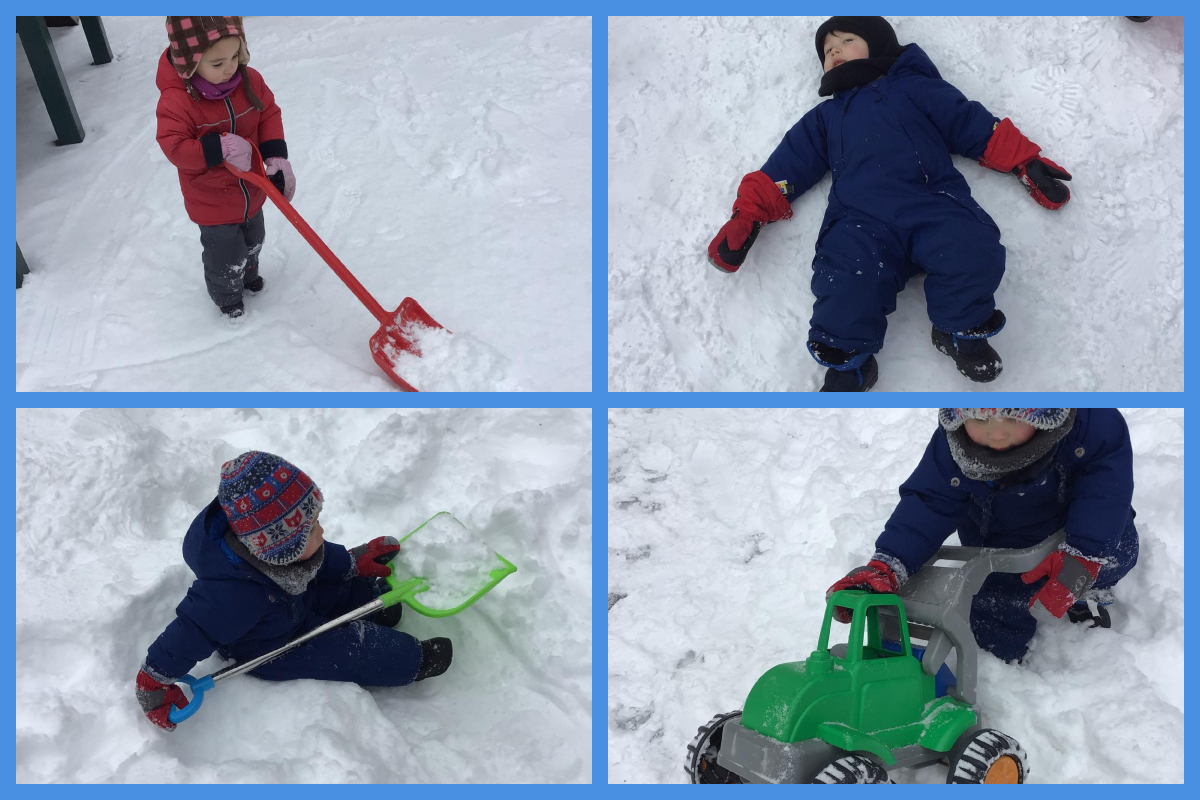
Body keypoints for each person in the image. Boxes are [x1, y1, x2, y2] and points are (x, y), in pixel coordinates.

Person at [708, 17, 1072, 391]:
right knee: (844, 281)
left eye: (846, 40)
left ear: (879, 44)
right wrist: (748, 215)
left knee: (972, 251)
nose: (833, 50)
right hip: (860, 222)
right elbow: (790, 162)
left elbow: (969, 122)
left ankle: (960, 331)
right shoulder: (827, 117)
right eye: (827, 49)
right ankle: (851, 363)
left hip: (933, 204)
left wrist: (1025, 162)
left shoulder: (916, 89)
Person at [135, 451, 452, 731]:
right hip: (273, 645)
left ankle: (374, 601)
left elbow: (317, 558)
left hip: (292, 602)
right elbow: (190, 632)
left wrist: (353, 562)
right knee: (350, 649)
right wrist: (153, 683)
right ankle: (413, 659)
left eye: (316, 521)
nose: (321, 530)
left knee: (344, 590)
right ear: (281, 548)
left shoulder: (278, 547)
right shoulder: (230, 596)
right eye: (312, 528)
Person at [826, 409, 1139, 662]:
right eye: (980, 419)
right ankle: (1001, 670)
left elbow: (1106, 489)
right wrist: (889, 563)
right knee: (996, 607)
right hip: (1002, 536)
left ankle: (1087, 589)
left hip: (1078, 525)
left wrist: (1086, 551)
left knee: (1117, 552)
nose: (997, 433)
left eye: (1015, 418)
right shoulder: (955, 445)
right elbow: (929, 502)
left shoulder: (1091, 424)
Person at [155, 16, 298, 318]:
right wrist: (218, 148)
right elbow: (175, 147)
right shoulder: (178, 101)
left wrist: (275, 155)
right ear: (189, 63)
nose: (230, 68)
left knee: (254, 239)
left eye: (235, 56)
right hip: (211, 199)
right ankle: (227, 295)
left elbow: (269, 113)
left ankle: (248, 275)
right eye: (217, 63)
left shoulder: (250, 81)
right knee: (225, 254)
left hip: (252, 187)